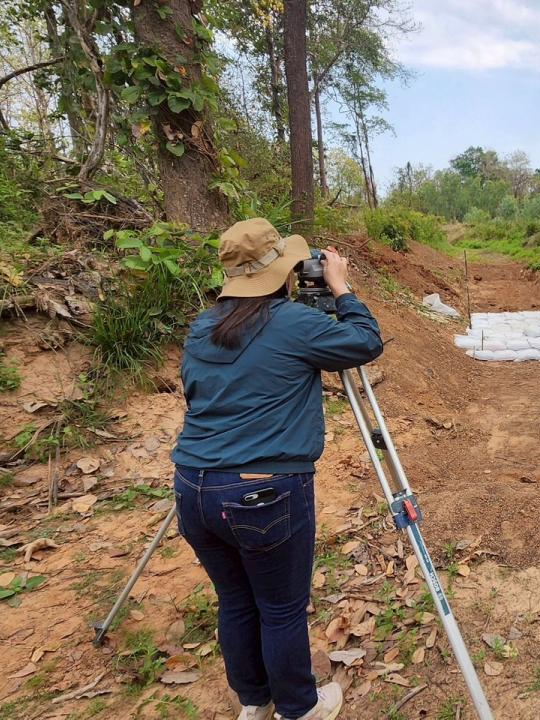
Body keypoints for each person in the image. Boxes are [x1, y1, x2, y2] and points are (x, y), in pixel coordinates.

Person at [171, 218, 383, 720]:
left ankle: (254, 702)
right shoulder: (291, 323)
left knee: (235, 600)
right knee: (281, 608)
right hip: (262, 492)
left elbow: (194, 390)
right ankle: (299, 708)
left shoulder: (203, 326)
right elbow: (365, 341)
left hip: (193, 486)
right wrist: (341, 287)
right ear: (285, 270)